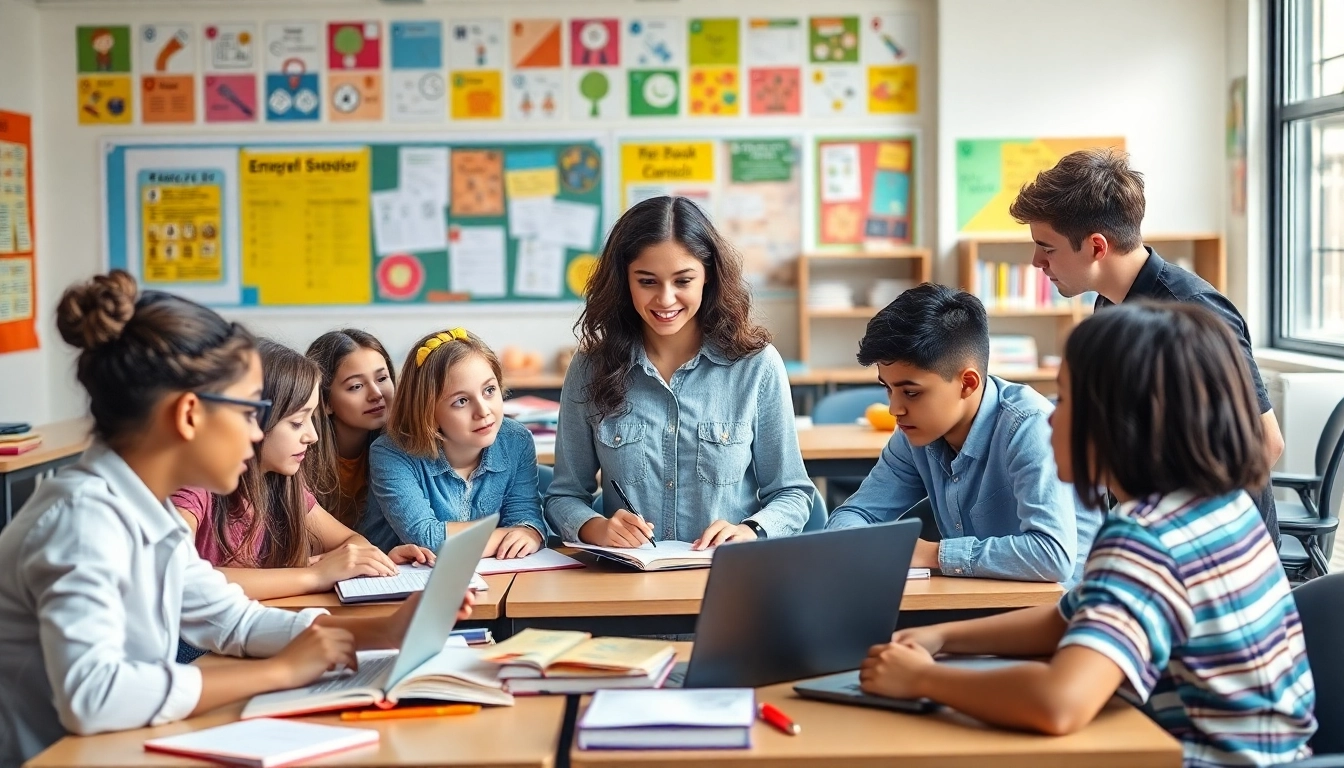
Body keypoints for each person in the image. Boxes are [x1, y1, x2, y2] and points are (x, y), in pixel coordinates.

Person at [0, 271, 471, 766]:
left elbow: (233, 621)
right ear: (188, 416)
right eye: (249, 413)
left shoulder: (144, 511)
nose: (255, 434)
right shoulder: (82, 521)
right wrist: (280, 673)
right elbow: (94, 698)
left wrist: (385, 631)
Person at [859, 302, 1316, 767]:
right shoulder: (1212, 504)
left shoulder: (1146, 540)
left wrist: (922, 680)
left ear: (1121, 421)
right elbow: (1066, 618)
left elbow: (1059, 703)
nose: (1051, 418)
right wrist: (941, 639)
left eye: (1067, 400)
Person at [1009, 147, 1283, 546]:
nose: (1036, 262)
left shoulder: (1194, 311)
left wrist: (1161, 529)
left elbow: (1264, 444)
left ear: (1097, 247)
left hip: (1209, 548)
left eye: (1046, 247)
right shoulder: (1109, 303)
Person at [545, 196, 812, 549]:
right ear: (624, 281)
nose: (666, 299)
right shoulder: (589, 368)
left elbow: (793, 493)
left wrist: (751, 530)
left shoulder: (757, 366)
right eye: (647, 281)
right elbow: (564, 495)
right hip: (627, 582)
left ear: (708, 278)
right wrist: (594, 527)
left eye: (683, 281)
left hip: (726, 577)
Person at [826, 284, 1098, 585]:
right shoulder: (915, 433)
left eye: (911, 393)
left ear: (967, 383)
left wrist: (930, 554)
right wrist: (852, 540)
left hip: (1063, 613)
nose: (895, 409)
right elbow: (856, 514)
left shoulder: (1029, 427)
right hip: (980, 603)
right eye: (887, 389)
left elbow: (1051, 557)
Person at [173, 340, 431, 602]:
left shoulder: (282, 482)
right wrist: (314, 574)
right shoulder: (192, 486)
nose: (313, 436)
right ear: (249, 419)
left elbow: (353, 541)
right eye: (297, 423)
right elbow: (178, 578)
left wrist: (367, 560)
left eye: (311, 419)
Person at [364, 328, 545, 559]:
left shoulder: (516, 440)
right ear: (427, 412)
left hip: (486, 578)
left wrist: (529, 531)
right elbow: (427, 538)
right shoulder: (390, 453)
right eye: (461, 401)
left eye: (489, 390)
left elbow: (525, 519)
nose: (483, 411)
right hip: (397, 584)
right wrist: (508, 535)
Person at [303, 329, 397, 529]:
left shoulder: (399, 450)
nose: (376, 394)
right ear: (324, 401)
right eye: (356, 386)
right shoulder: (299, 456)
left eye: (381, 379)